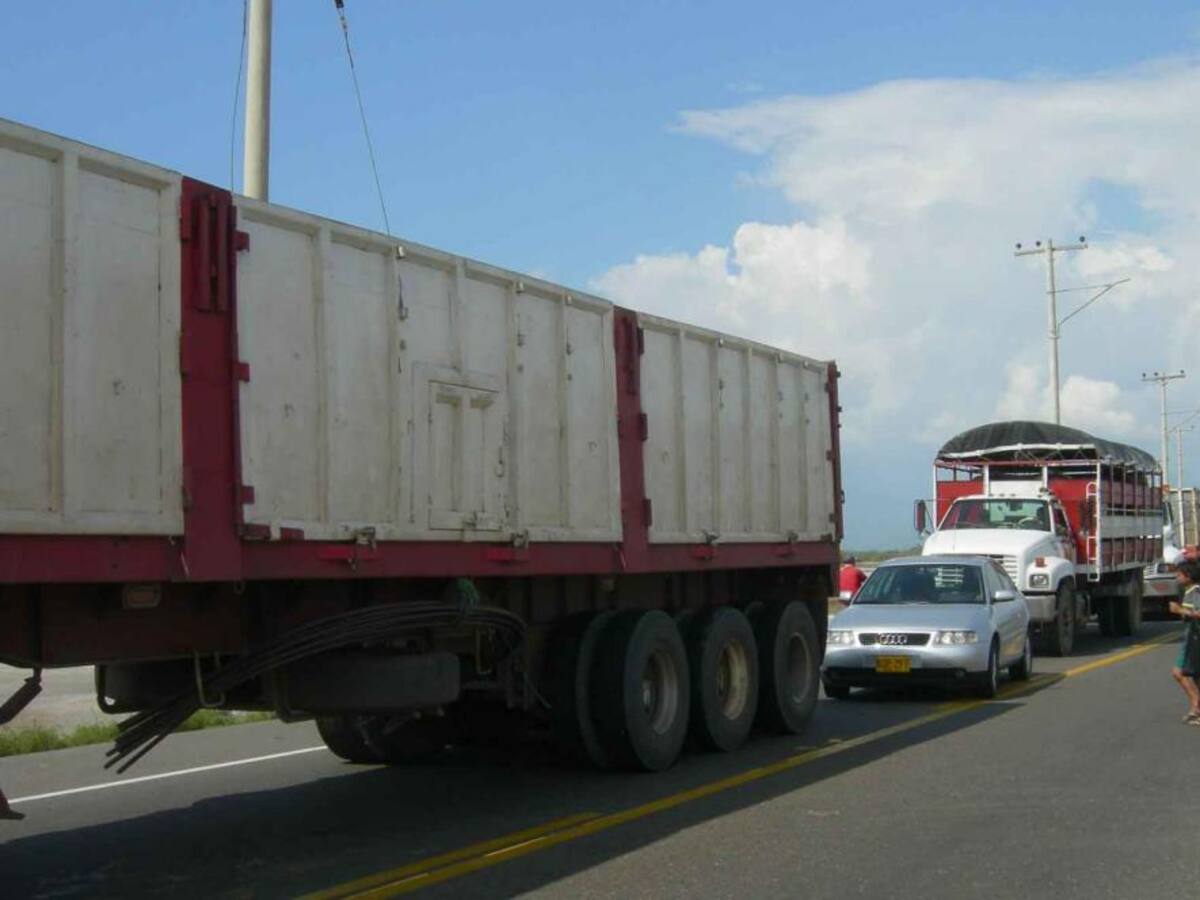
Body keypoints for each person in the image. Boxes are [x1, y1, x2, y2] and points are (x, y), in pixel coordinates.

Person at [1168, 559, 1200, 724]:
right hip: (1191, 637)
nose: (1177, 578)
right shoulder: (1189, 591)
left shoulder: (1196, 591)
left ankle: (1196, 707)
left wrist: (1179, 610)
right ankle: (1196, 708)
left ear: (1188, 576)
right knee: (1192, 674)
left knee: (1179, 672)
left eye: (1179, 575)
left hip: (1195, 638)